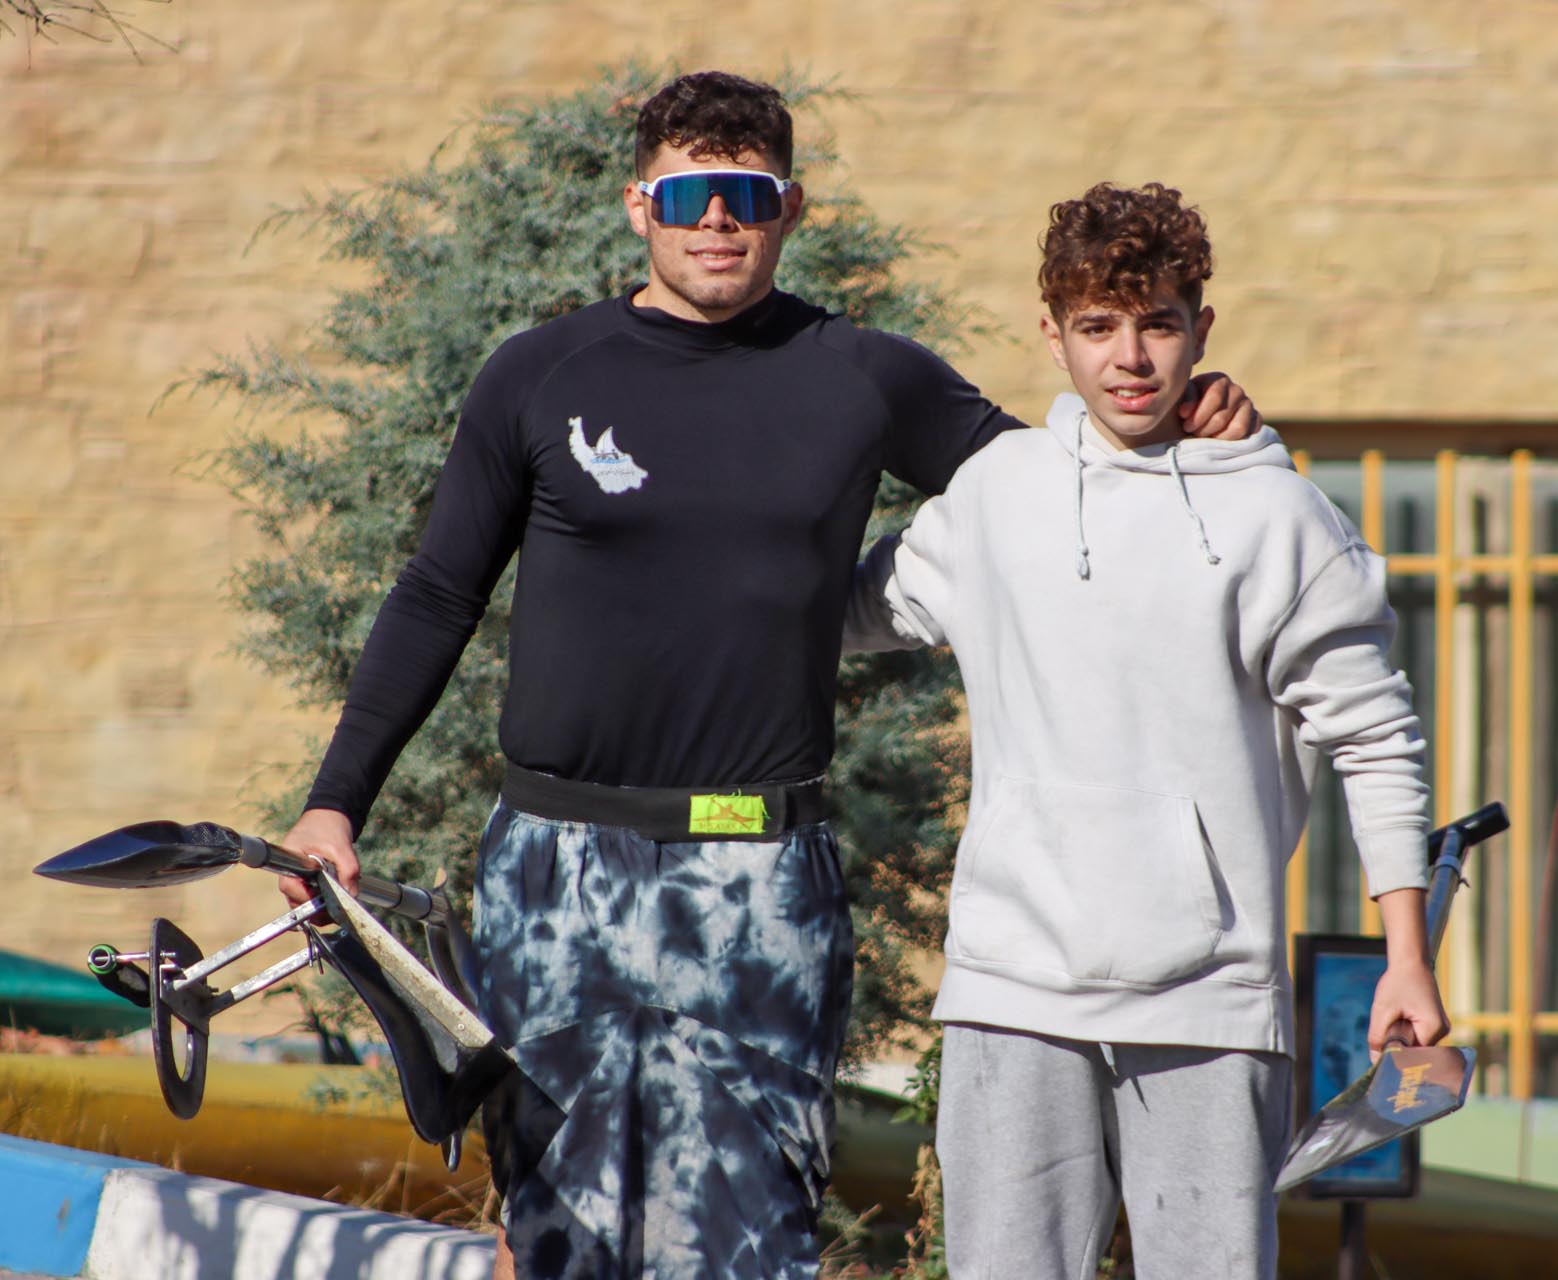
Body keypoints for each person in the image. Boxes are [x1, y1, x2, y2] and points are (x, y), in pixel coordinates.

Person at [271, 74, 1259, 1280]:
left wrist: (1192, 422)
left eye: (745, 195)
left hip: (762, 879)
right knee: (560, 1236)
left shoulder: (865, 377)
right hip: (555, 872)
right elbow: (437, 593)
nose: (716, 220)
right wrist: (336, 800)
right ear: (639, 205)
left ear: (789, 208)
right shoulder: (539, 374)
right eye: (688, 193)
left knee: (750, 1244)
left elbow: (1060, 492)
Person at [843, 181, 1448, 1278]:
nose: (1130, 357)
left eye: (1158, 325)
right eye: (1098, 327)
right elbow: (823, 613)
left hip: (1209, 997)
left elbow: (1376, 738)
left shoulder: (1279, 518)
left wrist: (1407, 958)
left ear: (1201, 330)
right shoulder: (996, 495)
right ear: (1053, 336)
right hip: (1012, 983)